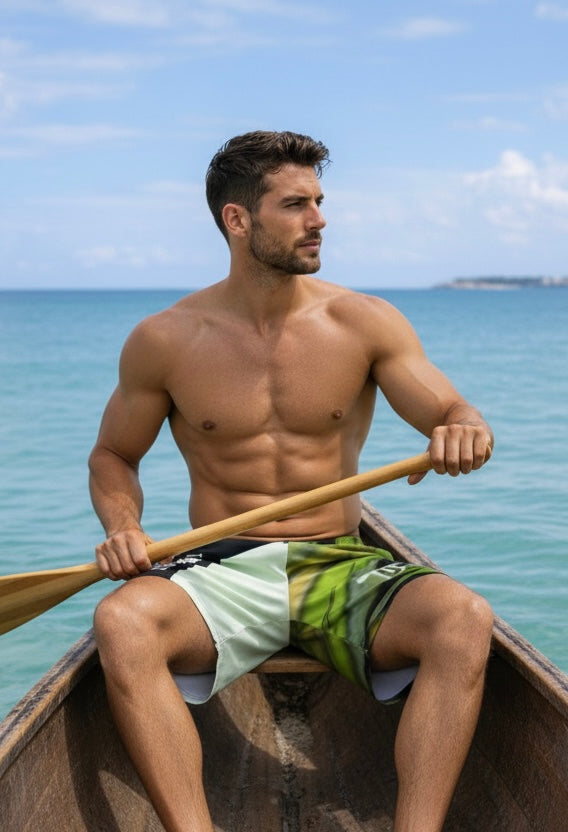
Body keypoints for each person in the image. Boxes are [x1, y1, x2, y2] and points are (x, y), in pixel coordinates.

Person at [88, 130, 494, 832]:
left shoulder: (362, 321)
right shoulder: (166, 339)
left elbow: (449, 410)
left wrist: (463, 429)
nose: (319, 220)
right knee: (122, 624)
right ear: (237, 219)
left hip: (337, 563)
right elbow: (112, 457)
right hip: (222, 566)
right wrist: (124, 530)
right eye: (296, 204)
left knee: (463, 619)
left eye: (320, 202)